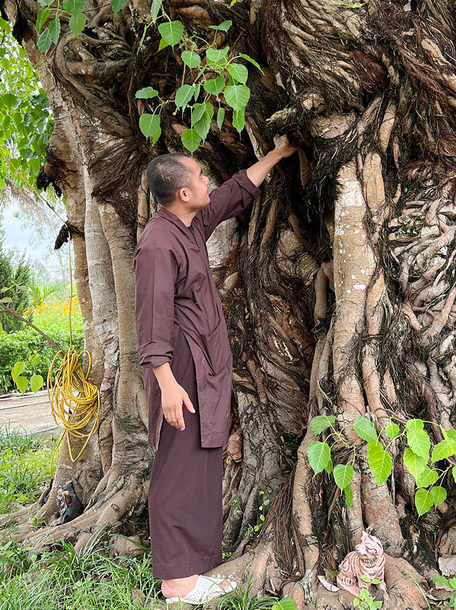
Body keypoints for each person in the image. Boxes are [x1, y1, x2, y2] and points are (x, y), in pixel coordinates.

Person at [134, 137, 296, 604]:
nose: (207, 180)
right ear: (183, 192)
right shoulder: (158, 243)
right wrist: (166, 385)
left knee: (203, 460)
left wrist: (276, 156)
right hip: (179, 368)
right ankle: (176, 583)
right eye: (199, 175)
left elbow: (230, 194)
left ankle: (193, 567)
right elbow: (152, 321)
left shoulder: (188, 225)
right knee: (177, 467)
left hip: (203, 364)